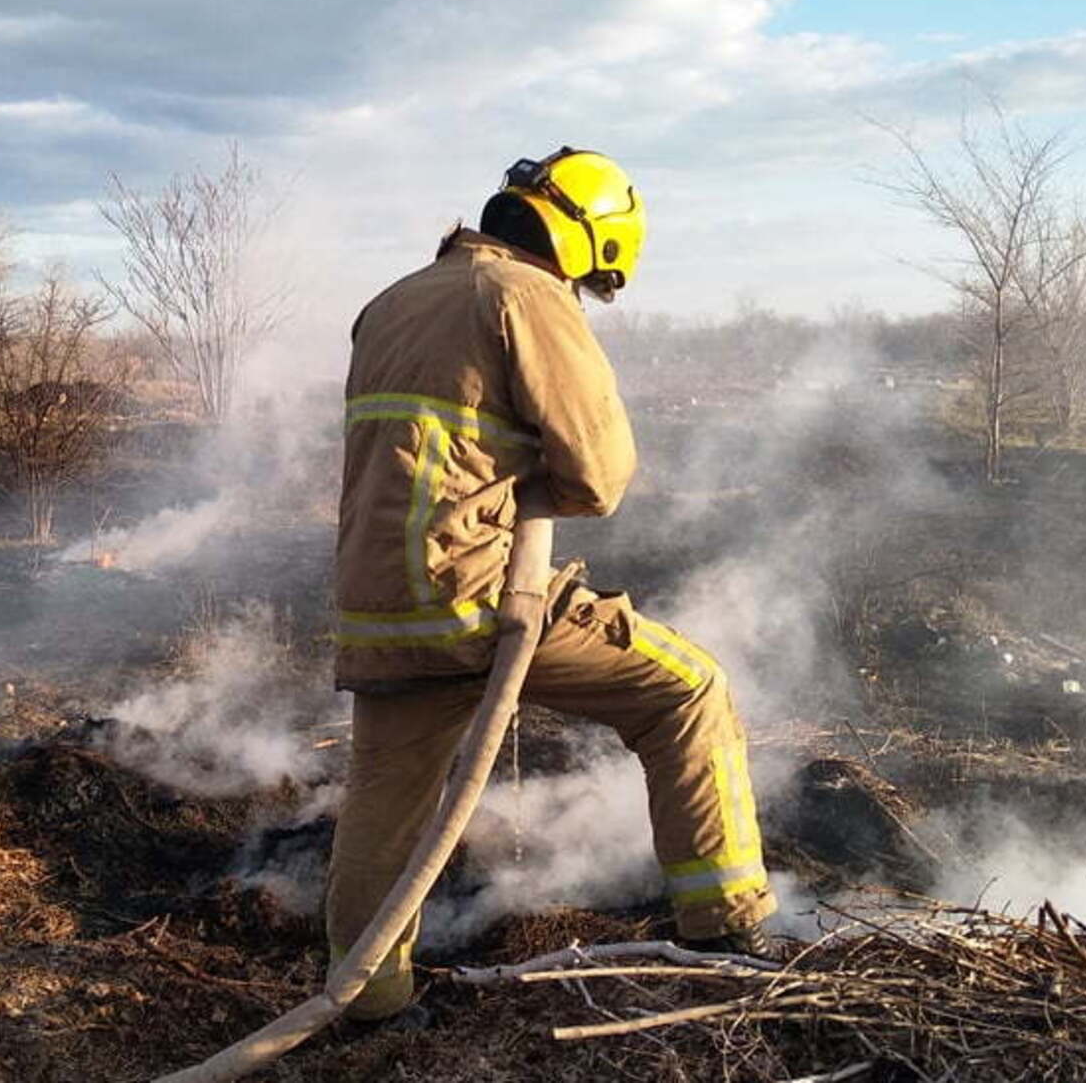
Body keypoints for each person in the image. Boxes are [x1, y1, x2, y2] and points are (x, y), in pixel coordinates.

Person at [326, 147, 776, 1021]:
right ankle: (725, 930)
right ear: (584, 240)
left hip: (377, 603)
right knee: (687, 692)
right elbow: (601, 474)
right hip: (480, 594)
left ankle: (367, 1003)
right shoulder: (525, 298)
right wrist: (541, 480)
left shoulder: (390, 302)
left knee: (387, 800)